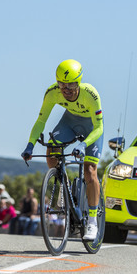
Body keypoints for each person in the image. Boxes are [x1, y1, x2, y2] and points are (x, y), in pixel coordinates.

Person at [21, 59, 104, 241]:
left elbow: (99, 128)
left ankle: (92, 221)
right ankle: (63, 185)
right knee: (52, 150)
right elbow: (41, 121)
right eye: (61, 85)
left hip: (92, 128)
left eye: (71, 85)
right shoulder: (52, 93)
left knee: (90, 171)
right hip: (69, 122)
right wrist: (30, 145)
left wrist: (83, 145)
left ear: (79, 82)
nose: (65, 90)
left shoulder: (91, 94)